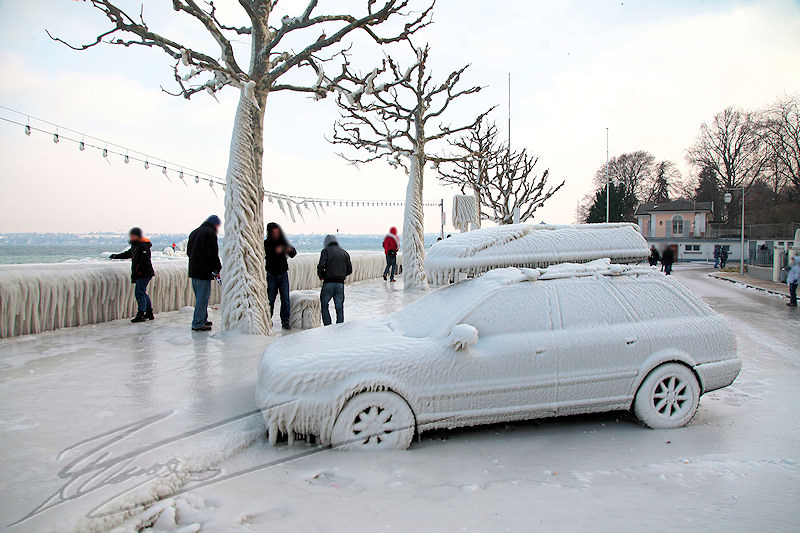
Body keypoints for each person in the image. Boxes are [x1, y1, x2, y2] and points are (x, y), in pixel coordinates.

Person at [110, 227, 155, 323]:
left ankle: (141, 313)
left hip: (144, 273)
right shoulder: (136, 245)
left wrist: (139, 271)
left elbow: (145, 261)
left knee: (139, 292)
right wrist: (116, 256)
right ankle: (149, 312)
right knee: (142, 292)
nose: (131, 237)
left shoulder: (143, 246)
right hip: (141, 273)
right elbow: (128, 254)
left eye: (133, 235)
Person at [187, 215, 222, 331]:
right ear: (215, 224)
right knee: (203, 298)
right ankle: (197, 323)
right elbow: (212, 253)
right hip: (203, 271)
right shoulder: (210, 233)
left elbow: (188, 252)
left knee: (199, 297)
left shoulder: (194, 232)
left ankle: (203, 319)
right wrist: (217, 269)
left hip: (194, 270)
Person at [264, 222, 297, 329]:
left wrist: (289, 250)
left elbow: (293, 254)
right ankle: (268, 320)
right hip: (272, 274)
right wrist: (276, 251)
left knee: (285, 298)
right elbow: (267, 255)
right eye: (274, 232)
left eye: (277, 232)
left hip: (283, 273)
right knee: (271, 299)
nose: (276, 234)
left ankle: (285, 321)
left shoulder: (282, 242)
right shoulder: (266, 244)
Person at [317, 234, 352, 325]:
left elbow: (321, 266)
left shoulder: (325, 251)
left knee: (324, 305)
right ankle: (339, 327)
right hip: (340, 284)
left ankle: (327, 326)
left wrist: (321, 275)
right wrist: (341, 275)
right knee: (339, 307)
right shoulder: (344, 253)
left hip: (328, 283)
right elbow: (350, 270)